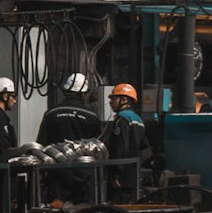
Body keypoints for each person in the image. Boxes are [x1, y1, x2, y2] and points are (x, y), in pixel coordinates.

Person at [37, 72, 100, 204]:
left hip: (57, 172)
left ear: (66, 91)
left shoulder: (51, 113)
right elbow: (97, 147)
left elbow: (41, 145)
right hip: (83, 172)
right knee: (83, 211)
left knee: (56, 210)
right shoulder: (91, 116)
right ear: (83, 93)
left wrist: (42, 173)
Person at [102, 82, 153, 196]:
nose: (110, 102)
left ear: (123, 100)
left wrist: (115, 174)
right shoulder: (138, 119)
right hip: (133, 174)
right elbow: (146, 149)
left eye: (113, 99)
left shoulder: (121, 119)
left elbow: (119, 147)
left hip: (121, 178)